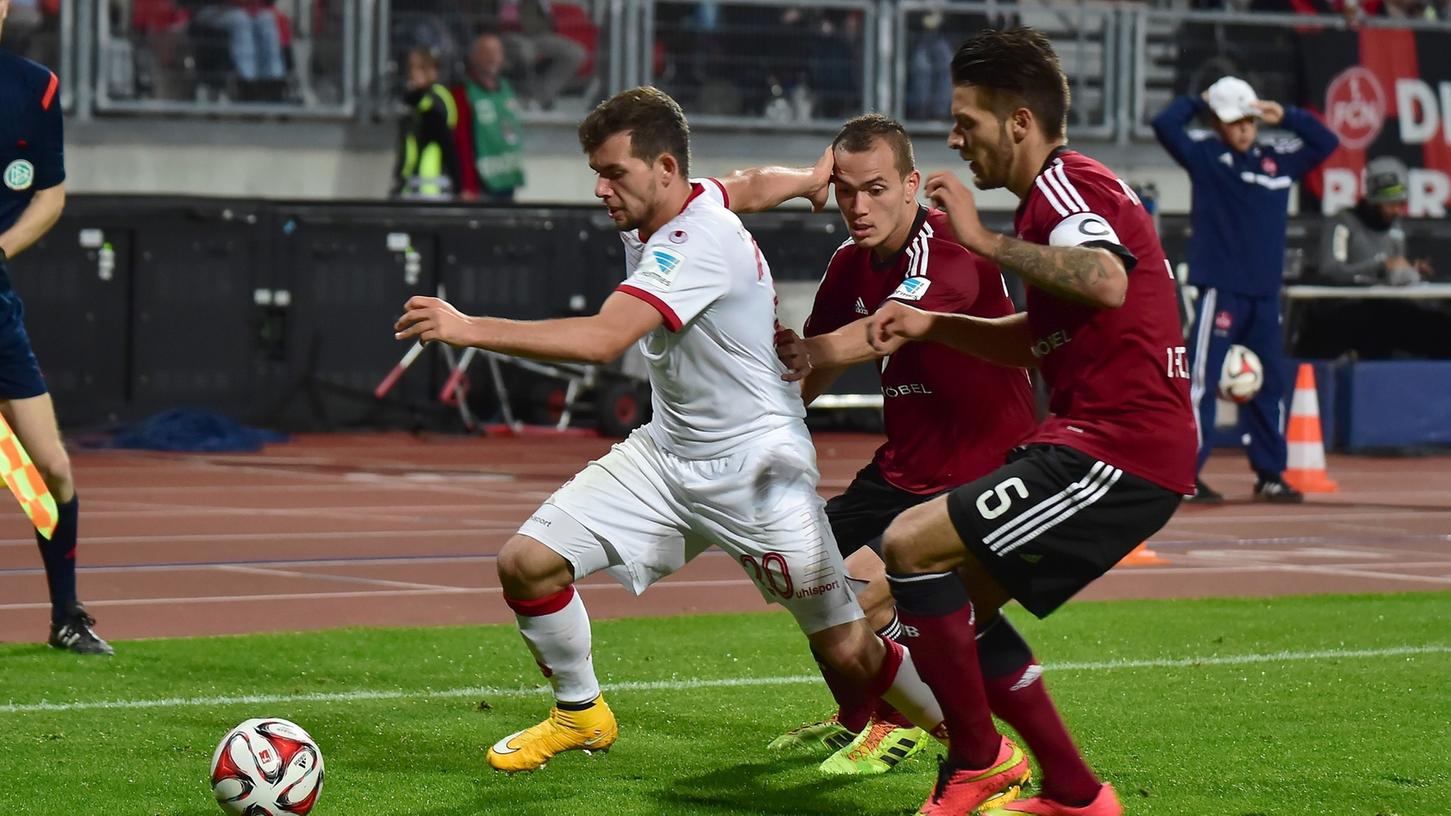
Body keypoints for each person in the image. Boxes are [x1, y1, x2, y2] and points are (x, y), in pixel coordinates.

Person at [392, 86, 947, 775]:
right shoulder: (687, 201)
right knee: (527, 564)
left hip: (755, 470)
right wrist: (806, 182)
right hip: (667, 454)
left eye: (613, 172)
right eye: (596, 171)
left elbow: (602, 340)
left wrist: (466, 327)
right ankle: (579, 712)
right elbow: (743, 185)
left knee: (846, 644)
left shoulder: (695, 241)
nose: (599, 188)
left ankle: (974, 747)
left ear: (661, 168)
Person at [865, 28, 1196, 815]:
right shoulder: (1055, 200)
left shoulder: (1067, 189)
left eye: (965, 121)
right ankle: (1076, 795)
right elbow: (1037, 339)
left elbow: (1105, 281)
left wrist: (981, 240)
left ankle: (977, 762)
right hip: (1100, 442)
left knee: (908, 547)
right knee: (956, 607)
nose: (953, 138)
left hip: (1119, 447)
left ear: (1018, 122)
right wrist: (933, 326)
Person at [751, 114, 1037, 776]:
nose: (858, 205)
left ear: (910, 185)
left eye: (875, 188)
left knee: (861, 597)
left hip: (980, 471)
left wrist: (809, 349)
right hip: (904, 469)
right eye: (846, 191)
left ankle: (899, 722)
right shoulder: (849, 264)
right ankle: (856, 716)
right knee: (801, 571)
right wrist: (754, 430)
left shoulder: (947, 254)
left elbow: (881, 333)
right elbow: (813, 368)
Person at [1152, 74, 1338, 503]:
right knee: (1200, 383)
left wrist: (1286, 114)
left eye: (1248, 121)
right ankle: (1186, 475)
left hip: (1265, 293)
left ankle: (1270, 473)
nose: (1243, 129)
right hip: (1220, 289)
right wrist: (1200, 100)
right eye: (1233, 121)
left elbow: (1326, 142)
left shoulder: (1278, 158)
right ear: (1217, 122)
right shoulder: (1205, 155)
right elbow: (1165, 125)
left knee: (1270, 384)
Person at [0, 0, 112, 655]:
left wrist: (3, 248)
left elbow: (51, 194)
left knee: (48, 469)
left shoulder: (34, 86)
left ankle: (66, 616)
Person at [1302, 156, 1445, 359]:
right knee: (1372, 324)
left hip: (1387, 308)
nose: (1396, 210)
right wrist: (1379, 266)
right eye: (1390, 205)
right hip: (1348, 309)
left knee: (1440, 326)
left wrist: (1409, 270)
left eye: (1400, 204)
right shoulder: (1343, 222)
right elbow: (1331, 269)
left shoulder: (1395, 227)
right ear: (1373, 201)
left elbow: (1393, 272)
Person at [452, 30, 526, 204]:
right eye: (486, 52)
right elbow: (461, 143)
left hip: (506, 182)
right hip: (480, 186)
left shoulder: (507, 89)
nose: (492, 57)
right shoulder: (463, 93)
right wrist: (467, 186)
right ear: (473, 56)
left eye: (497, 52)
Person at [485, 0, 587, 111]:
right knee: (526, 52)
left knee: (576, 53)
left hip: (541, 36)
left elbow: (548, 20)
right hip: (513, 35)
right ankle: (525, 97)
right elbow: (505, 19)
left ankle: (540, 97)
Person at [391, 46, 462, 200]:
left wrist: (458, 185)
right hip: (413, 183)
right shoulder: (414, 101)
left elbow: (448, 145)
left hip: (432, 185)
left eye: (420, 68)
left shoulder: (435, 99)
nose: (412, 74)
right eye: (410, 68)